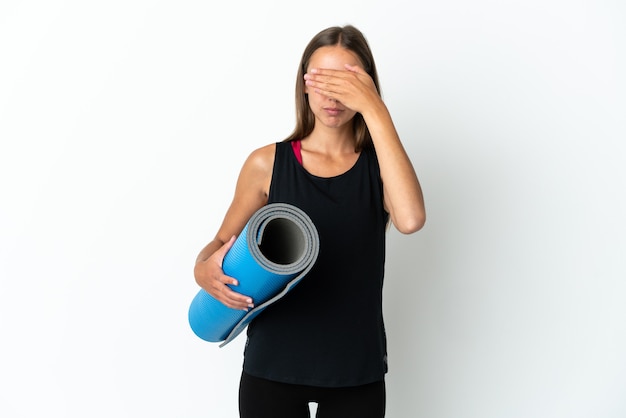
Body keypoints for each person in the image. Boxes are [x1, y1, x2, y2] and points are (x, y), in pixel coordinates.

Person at [193, 25, 425, 418]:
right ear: (303, 84)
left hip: (355, 369)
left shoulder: (380, 168)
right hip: (273, 365)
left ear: (368, 87)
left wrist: (376, 110)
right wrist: (202, 271)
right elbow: (219, 244)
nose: (332, 95)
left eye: (348, 81)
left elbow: (411, 219)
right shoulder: (267, 163)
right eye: (321, 80)